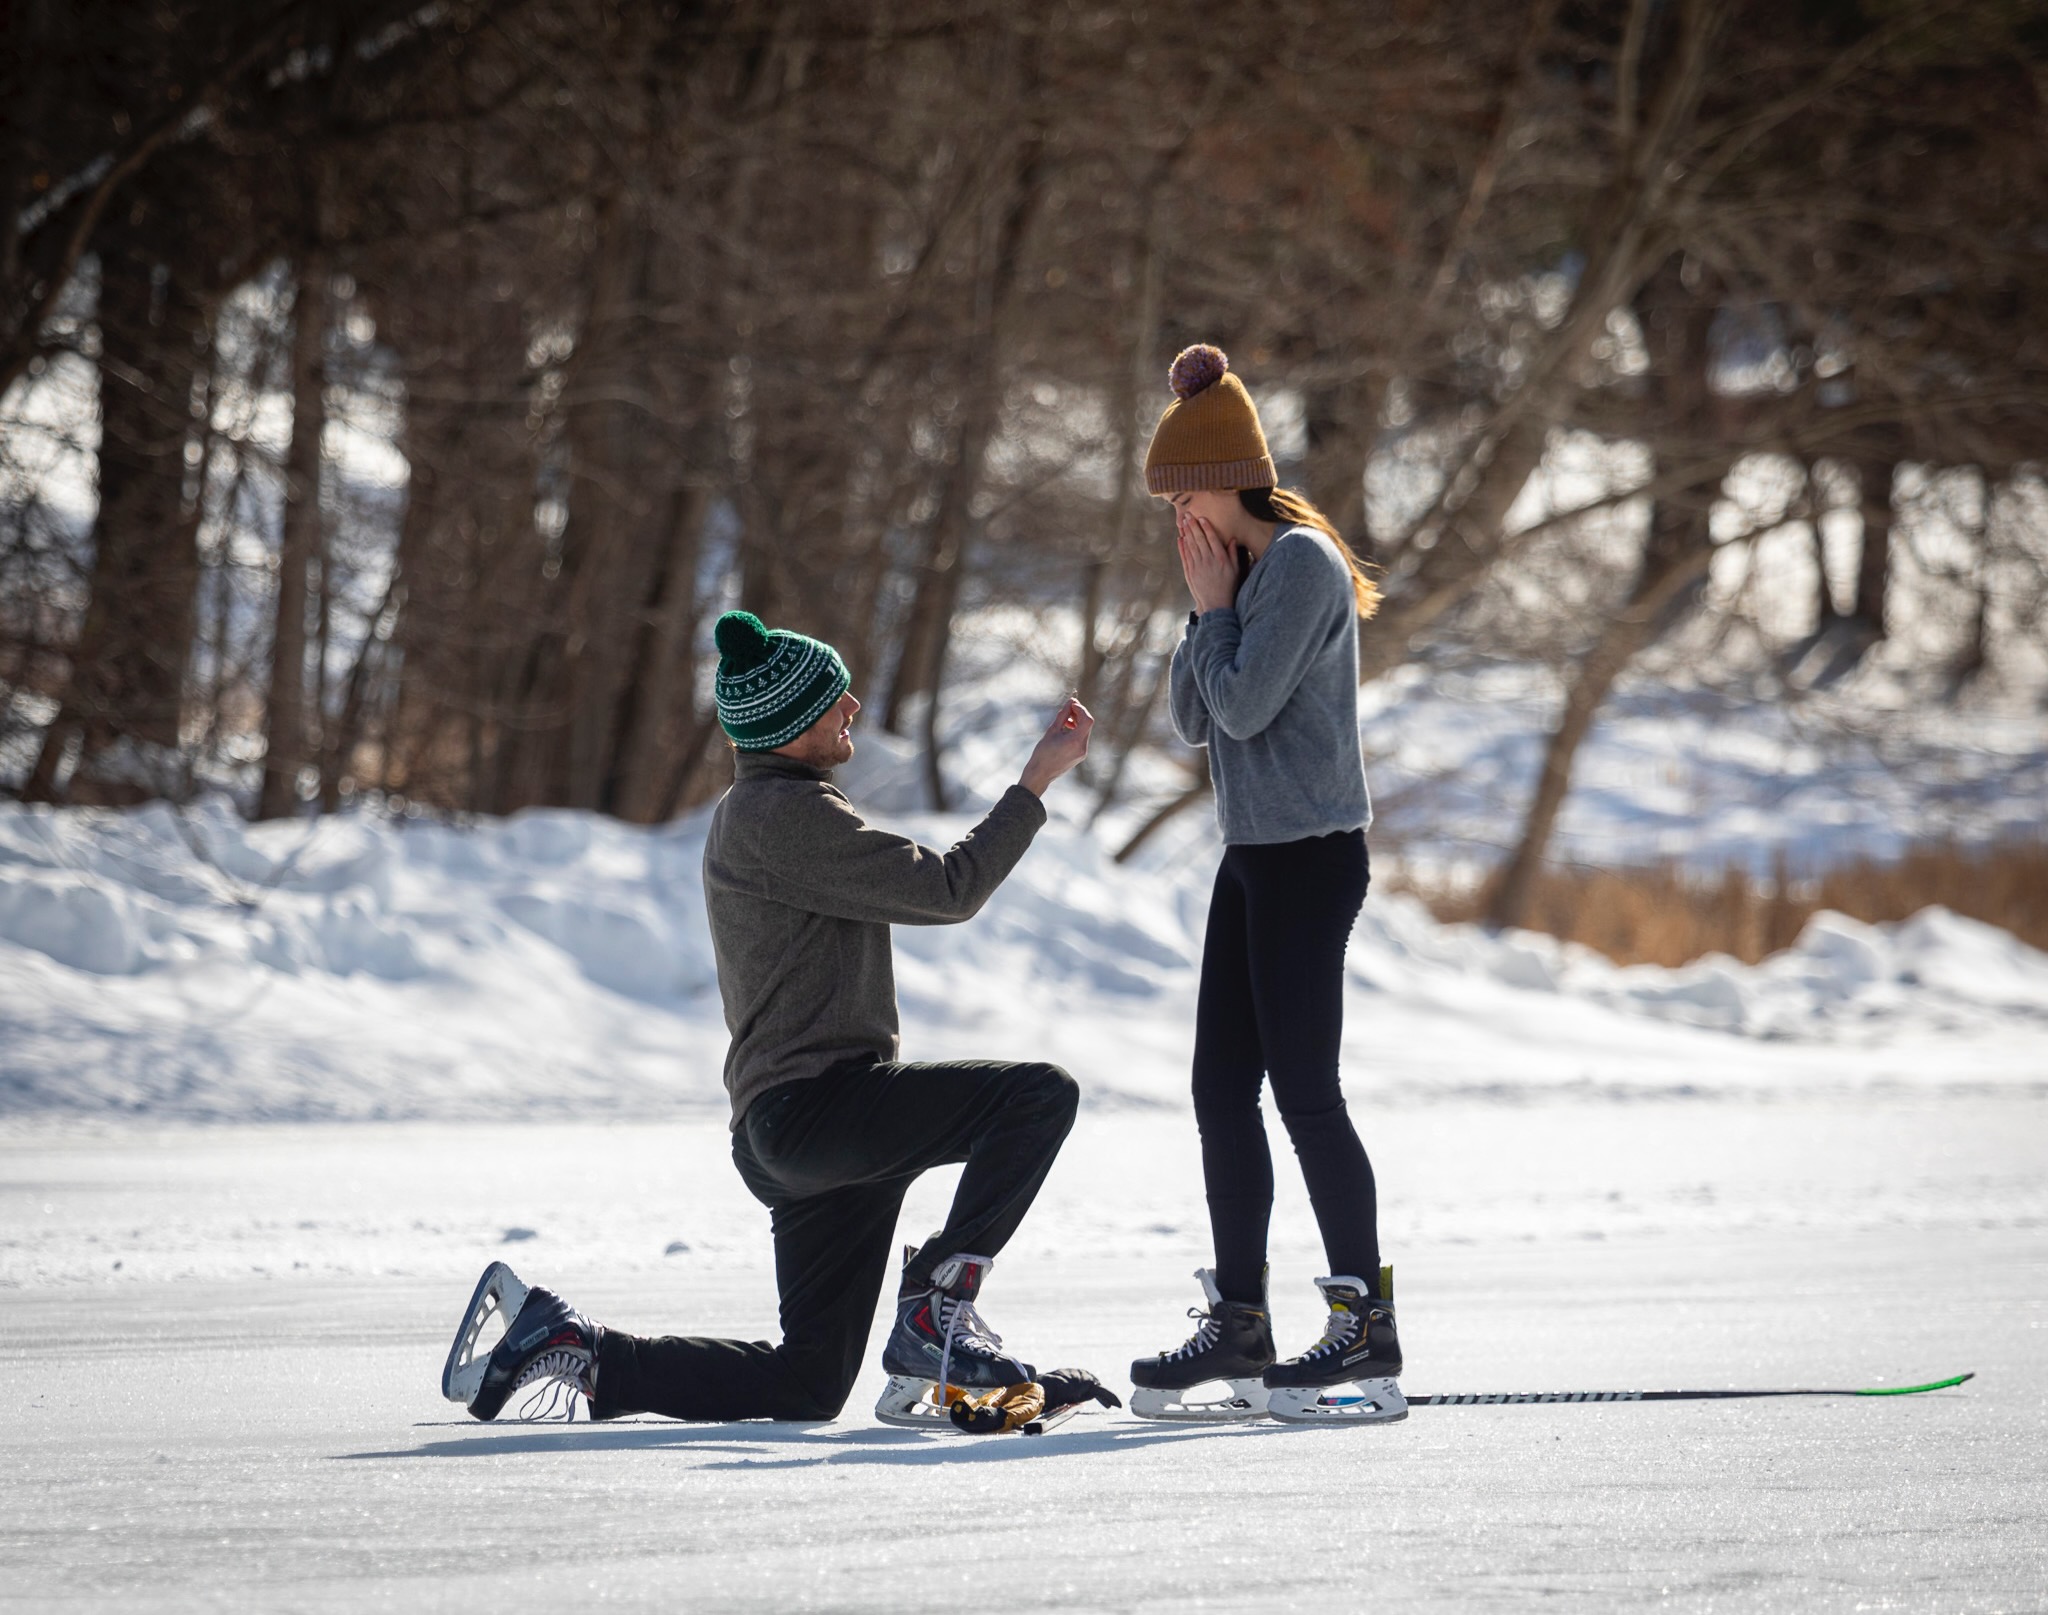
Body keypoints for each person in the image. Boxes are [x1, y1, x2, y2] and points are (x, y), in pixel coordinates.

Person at [441, 609, 1109, 1429]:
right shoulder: (786, 817)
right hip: (818, 1111)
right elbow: (948, 890)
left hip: (791, 1129)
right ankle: (938, 1309)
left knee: (807, 1384)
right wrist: (1033, 785)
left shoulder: (761, 815)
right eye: (836, 698)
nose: (856, 706)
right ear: (793, 725)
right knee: (1036, 1096)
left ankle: (579, 1346)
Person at [1126, 344, 1404, 1425]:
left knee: (1305, 1093)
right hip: (1253, 855)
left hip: (1309, 857)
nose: (1170, 515)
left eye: (1175, 493)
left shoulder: (1297, 566)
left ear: (1219, 481)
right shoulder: (1235, 581)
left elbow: (1236, 709)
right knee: (1215, 1087)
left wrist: (1213, 609)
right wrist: (1203, 609)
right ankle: (1240, 1321)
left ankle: (1363, 1327)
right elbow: (1191, 719)